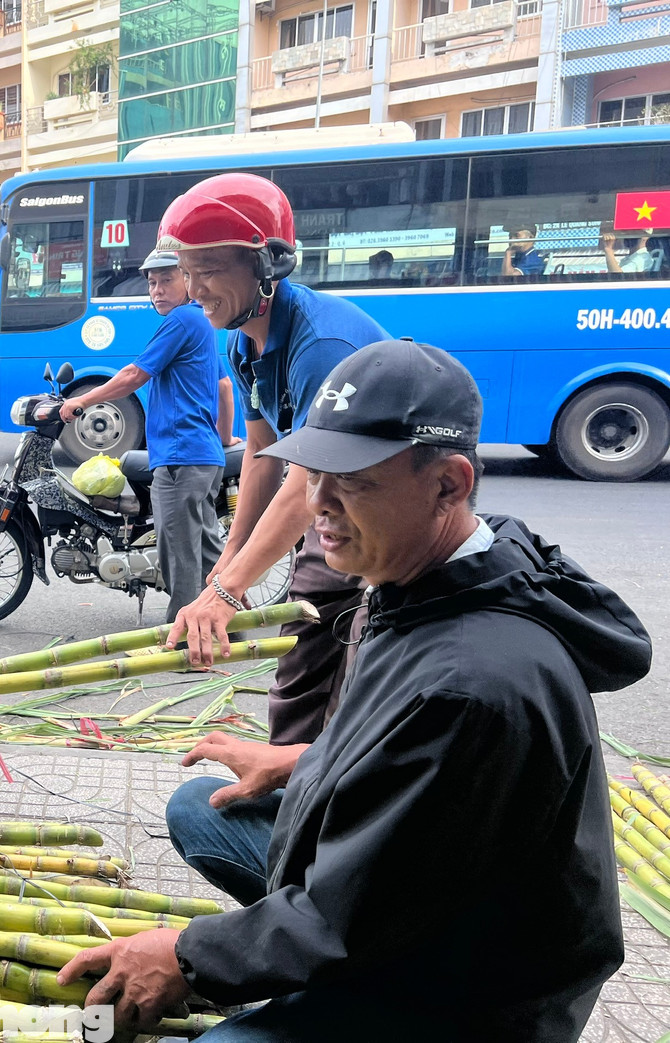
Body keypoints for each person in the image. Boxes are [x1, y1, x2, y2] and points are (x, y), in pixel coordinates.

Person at [61, 340, 652, 1041]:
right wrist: (303, 761)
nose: (319, 505)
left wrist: (188, 955)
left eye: (356, 482)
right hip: (407, 891)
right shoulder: (433, 576)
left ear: (448, 483)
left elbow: (356, 920)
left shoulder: (476, 684)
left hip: (461, 991)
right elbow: (407, 780)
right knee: (200, 807)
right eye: (314, 474)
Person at [161, 173, 389, 760]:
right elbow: (263, 459)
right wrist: (224, 574)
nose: (194, 287)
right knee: (309, 657)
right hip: (335, 499)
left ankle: (303, 784)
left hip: (386, 509)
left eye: (208, 268)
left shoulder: (321, 348)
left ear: (268, 264)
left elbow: (305, 482)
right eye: (187, 270)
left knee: (333, 660)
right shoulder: (244, 341)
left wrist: (228, 594)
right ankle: (296, 777)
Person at [60, 250, 239, 622]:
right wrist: (222, 440)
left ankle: (186, 636)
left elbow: (134, 375)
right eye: (152, 283)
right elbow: (223, 385)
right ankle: (229, 623)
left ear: (188, 280)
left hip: (179, 456)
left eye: (167, 280)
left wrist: (82, 401)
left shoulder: (181, 320)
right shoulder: (202, 321)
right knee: (206, 550)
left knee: (180, 554)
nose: (157, 290)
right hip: (202, 456)